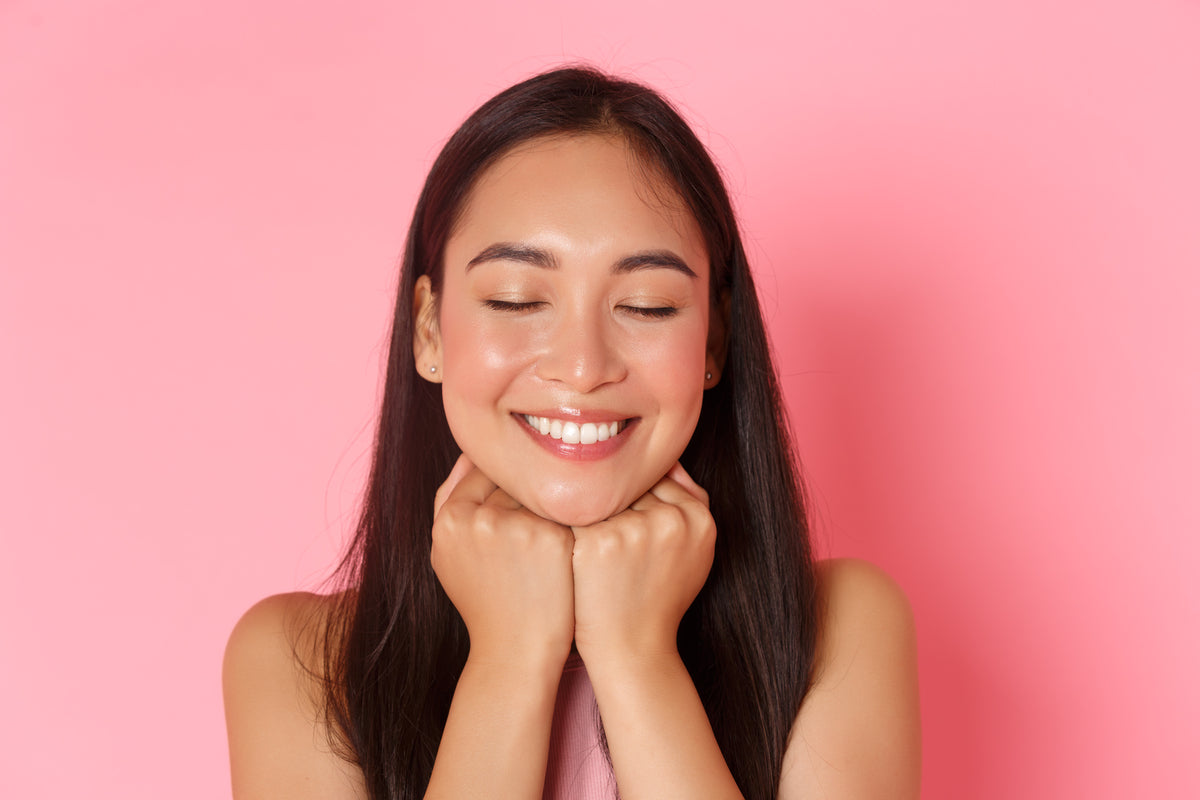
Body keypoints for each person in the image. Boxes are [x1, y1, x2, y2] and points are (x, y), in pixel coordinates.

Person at [222, 66, 921, 800]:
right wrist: (509, 658)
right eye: (516, 300)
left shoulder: (839, 628)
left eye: (647, 306)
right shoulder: (300, 663)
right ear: (429, 329)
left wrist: (638, 658)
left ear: (713, 341)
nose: (583, 368)